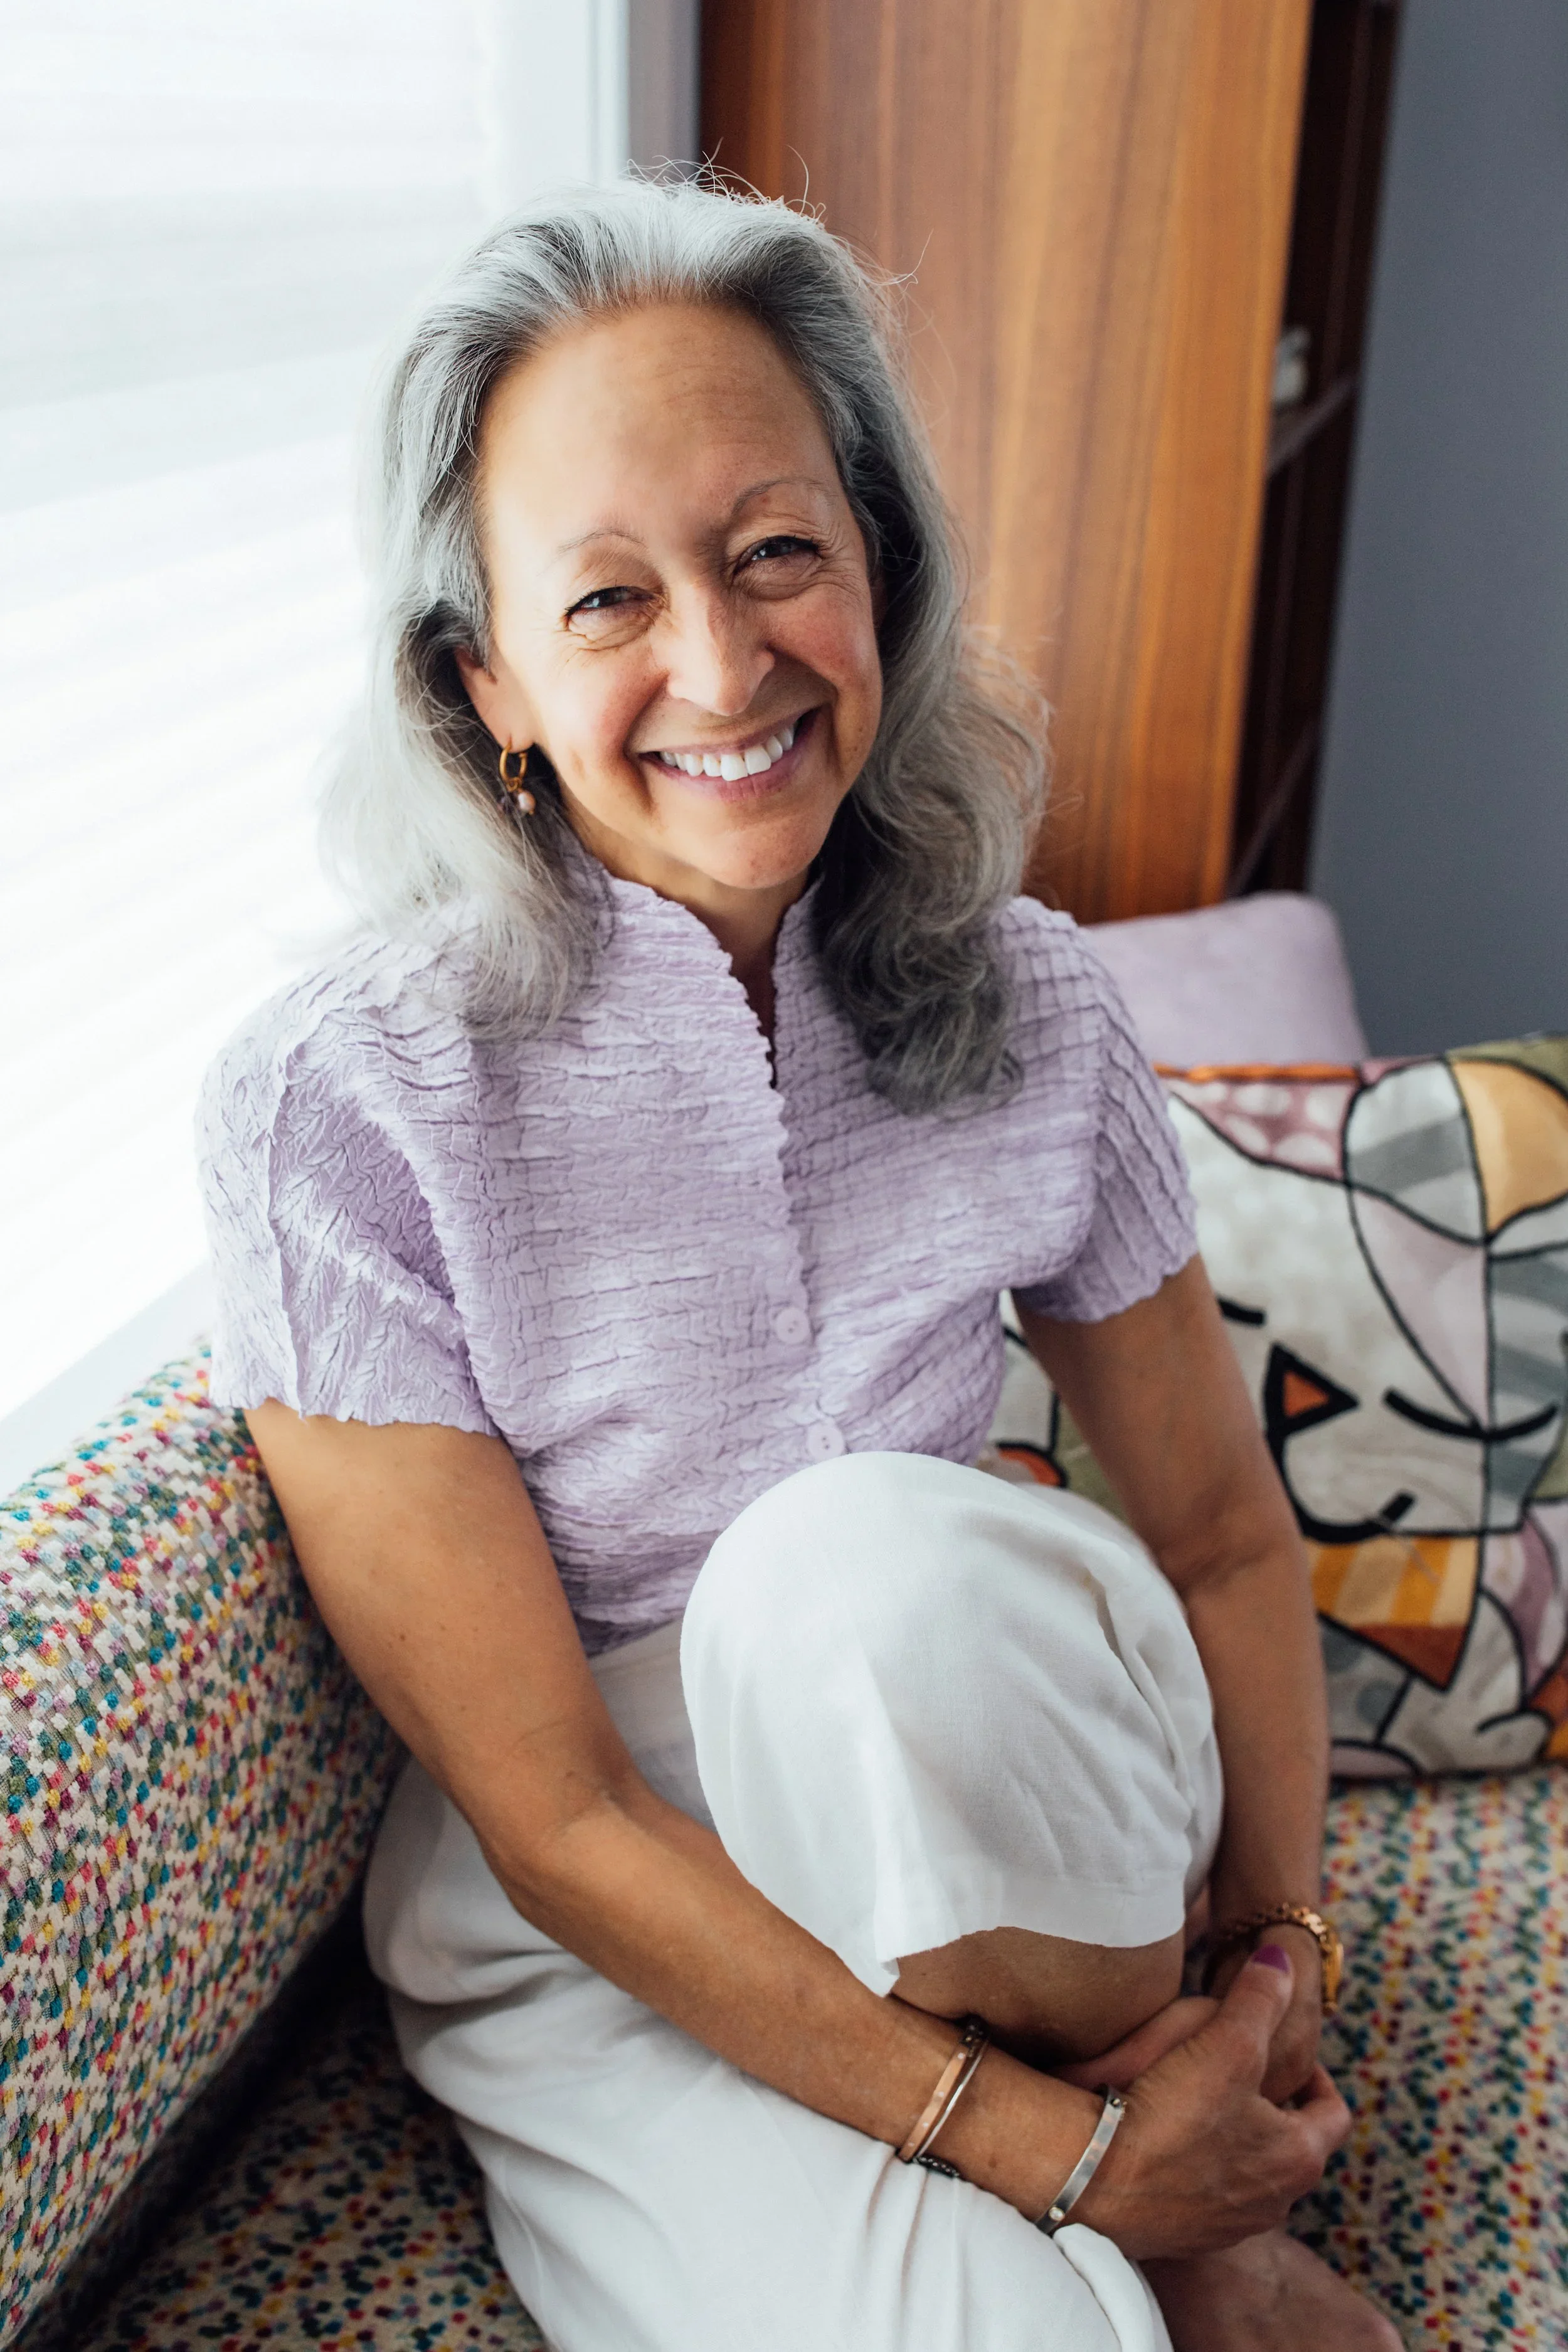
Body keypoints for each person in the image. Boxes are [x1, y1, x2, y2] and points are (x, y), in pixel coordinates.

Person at [198, 181, 1401, 2351]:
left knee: (862, 1570)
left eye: (775, 553)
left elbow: (1220, 1538)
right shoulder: (335, 1106)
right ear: (485, 686)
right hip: (599, 1922)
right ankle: (1142, 2224)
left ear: (877, 571)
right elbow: (555, 1813)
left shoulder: (1031, 999)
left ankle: (1185, 2180)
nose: (724, 665)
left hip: (1001, 1799)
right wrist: (1078, 2181)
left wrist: (1272, 1965)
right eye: (604, 600)